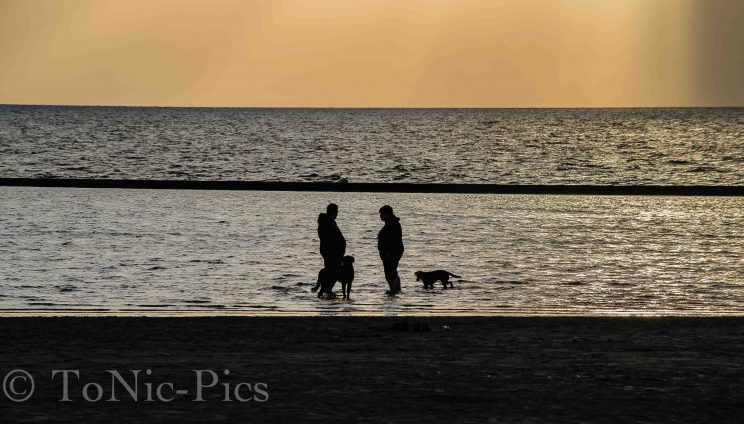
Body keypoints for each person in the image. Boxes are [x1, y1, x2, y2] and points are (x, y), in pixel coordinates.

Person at [316, 203, 346, 296]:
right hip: (331, 252)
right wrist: (335, 248)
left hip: (334, 251)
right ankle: (327, 289)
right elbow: (328, 238)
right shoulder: (327, 222)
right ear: (333, 212)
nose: (337, 213)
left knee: (334, 271)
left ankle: (327, 289)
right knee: (333, 271)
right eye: (337, 211)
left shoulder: (329, 221)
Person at [377, 205, 403, 295]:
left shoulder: (392, 224)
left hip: (391, 252)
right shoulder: (391, 223)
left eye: (381, 214)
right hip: (392, 251)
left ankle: (393, 291)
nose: (380, 216)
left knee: (389, 273)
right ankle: (397, 290)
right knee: (393, 271)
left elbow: (393, 240)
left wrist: (388, 252)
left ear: (387, 214)